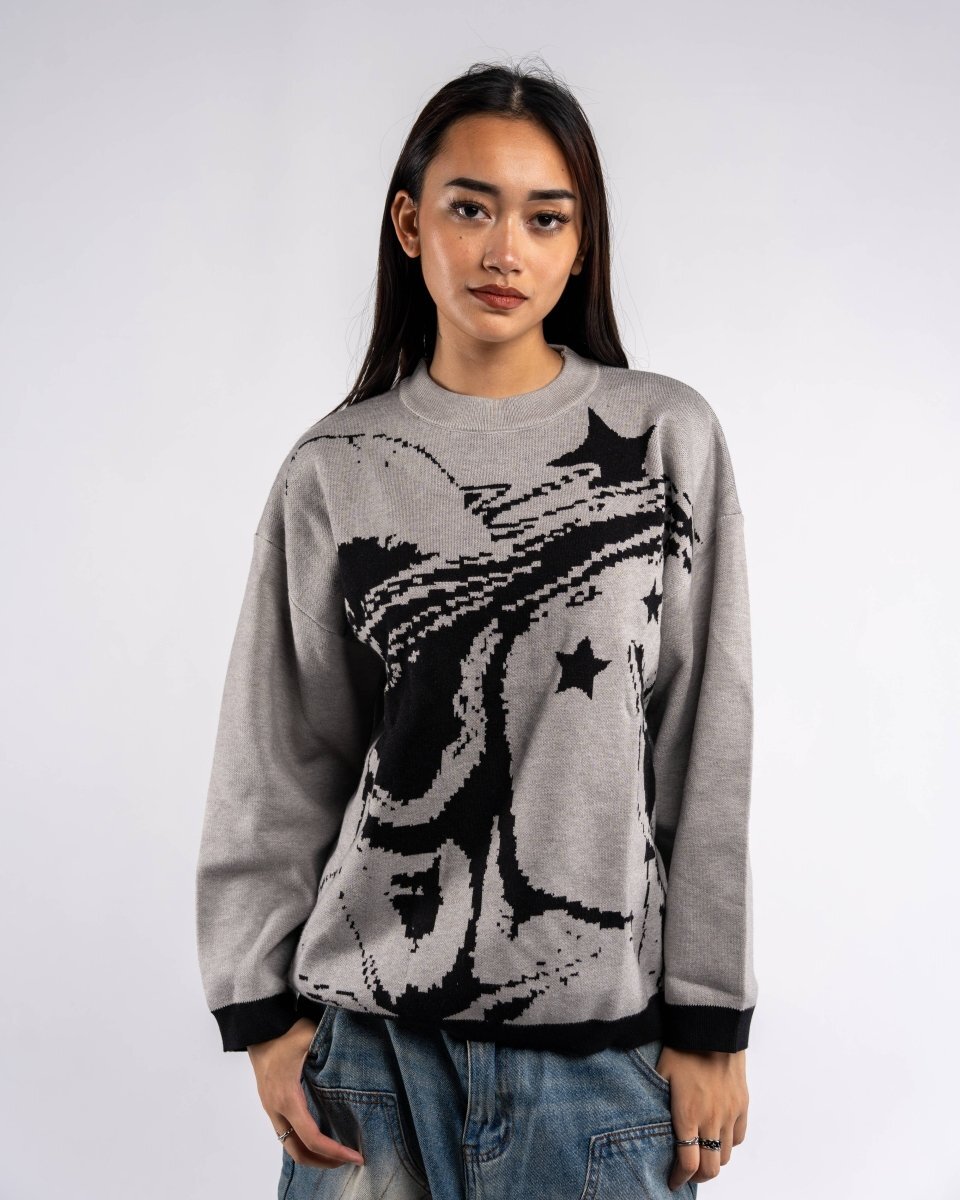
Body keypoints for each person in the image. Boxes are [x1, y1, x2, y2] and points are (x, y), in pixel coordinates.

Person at [195, 59, 757, 1200]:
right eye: (471, 208)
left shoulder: (666, 437)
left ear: (581, 245)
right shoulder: (334, 469)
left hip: (604, 1068)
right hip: (370, 1064)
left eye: (546, 217)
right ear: (411, 225)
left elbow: (708, 741)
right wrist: (262, 1019)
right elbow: (279, 753)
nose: (507, 250)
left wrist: (711, 1020)